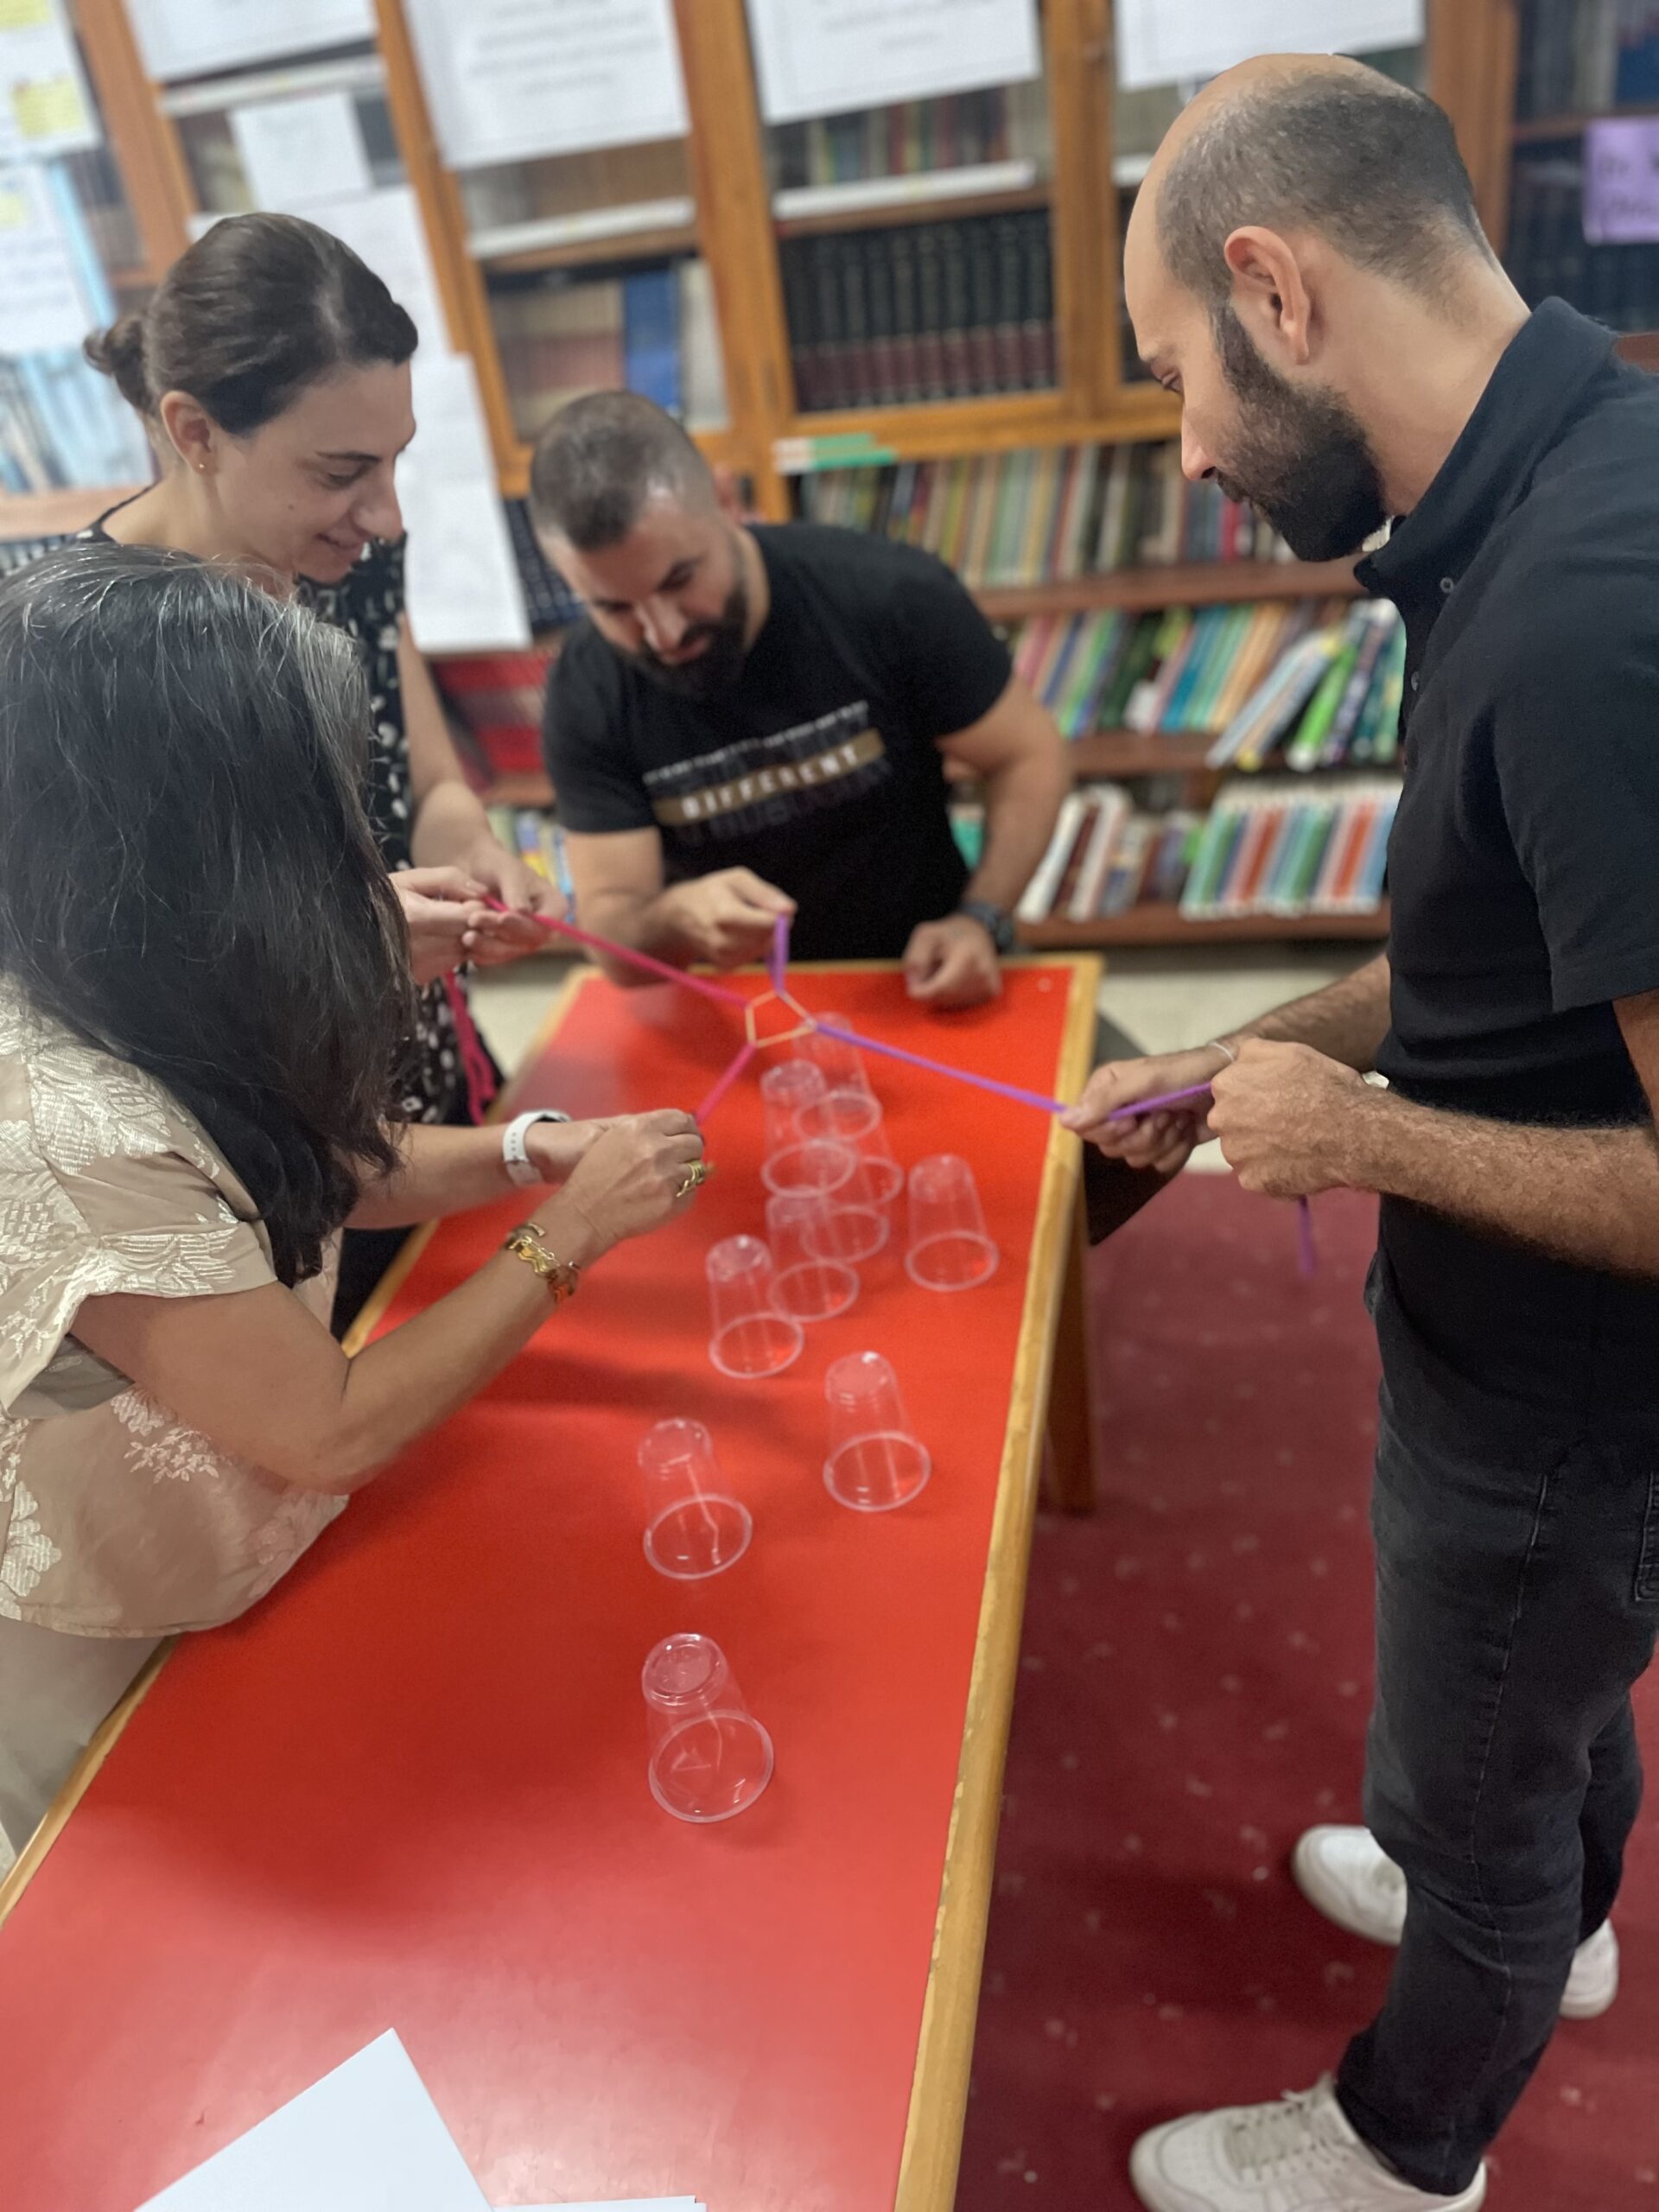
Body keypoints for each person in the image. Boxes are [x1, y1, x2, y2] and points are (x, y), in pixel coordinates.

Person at [1063, 56, 1659, 2212]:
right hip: (1534, 1372)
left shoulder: (1587, 611)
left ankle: (1409, 2146)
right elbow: (1496, 940)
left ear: (1274, 288)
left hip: (1571, 1400)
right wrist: (1268, 1048)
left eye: (1174, 375)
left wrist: (1371, 1138)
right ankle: (1548, 1909)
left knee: (1483, 1767)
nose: (1188, 445)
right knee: (1538, 1704)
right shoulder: (1530, 490)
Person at [0, 543, 706, 1872]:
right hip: (105, 1615)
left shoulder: (129, 950)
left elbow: (313, 1166)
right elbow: (327, 1427)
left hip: (244, 1524)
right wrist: (569, 1233)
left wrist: (532, 1149)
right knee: (185, 1882)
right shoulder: (57, 1121)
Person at [81, 212, 562, 1334]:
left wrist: (477, 851)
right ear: (195, 431)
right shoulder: (86, 654)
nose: (385, 515)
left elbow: (428, 784)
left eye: (396, 462)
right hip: (287, 1173)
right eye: (344, 472)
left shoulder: (350, 565)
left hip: (436, 1087)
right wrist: (357, 944)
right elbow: (133, 998)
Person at [531, 392, 1071, 1007]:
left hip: (929, 966)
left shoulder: (888, 595)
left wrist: (982, 916)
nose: (664, 633)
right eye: (613, 608)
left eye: (680, 579)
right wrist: (672, 919)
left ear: (727, 501)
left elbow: (1028, 754)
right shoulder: (585, 690)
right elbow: (612, 935)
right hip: (743, 1003)